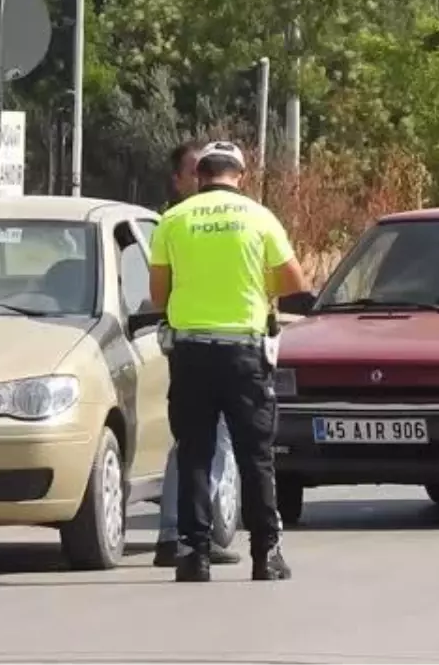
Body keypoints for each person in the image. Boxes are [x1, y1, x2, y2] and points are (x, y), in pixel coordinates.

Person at [149, 140, 309, 582]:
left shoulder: (173, 219)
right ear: (240, 175)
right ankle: (266, 555)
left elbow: (159, 294)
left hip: (191, 353)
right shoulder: (259, 217)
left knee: (195, 453)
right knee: (255, 455)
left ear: (199, 175)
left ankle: (193, 555)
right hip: (245, 353)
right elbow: (294, 280)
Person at [152, 140, 241, 568]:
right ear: (181, 180)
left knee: (203, 441)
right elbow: (158, 293)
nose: (203, 177)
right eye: (195, 170)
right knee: (200, 442)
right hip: (194, 344)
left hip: (210, 342)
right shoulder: (172, 224)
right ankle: (183, 532)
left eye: (206, 168)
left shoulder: (220, 223)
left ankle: (191, 532)